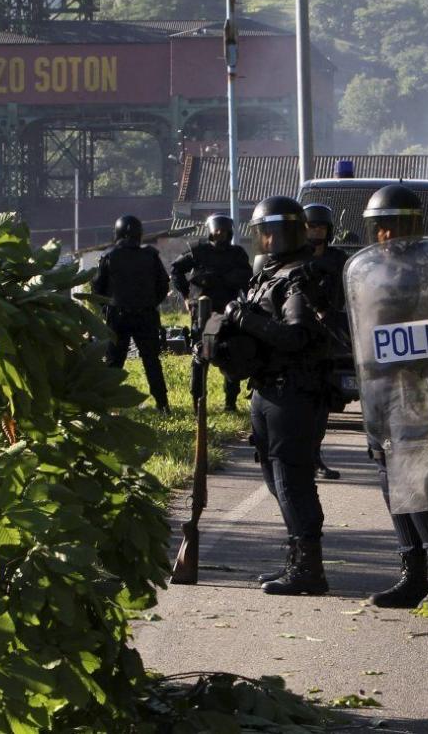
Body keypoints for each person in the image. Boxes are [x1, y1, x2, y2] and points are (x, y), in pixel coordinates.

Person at [347, 184, 428, 609]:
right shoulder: (366, 272)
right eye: (379, 228)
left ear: (412, 226)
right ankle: (413, 574)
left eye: (392, 227)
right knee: (389, 480)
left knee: (419, 483)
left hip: (417, 391)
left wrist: (422, 352)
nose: (385, 236)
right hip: (377, 390)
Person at [223, 196, 329, 596]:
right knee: (276, 479)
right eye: (261, 232)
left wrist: (242, 317)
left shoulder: (301, 277)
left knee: (292, 480)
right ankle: (296, 559)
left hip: (294, 392)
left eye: (272, 231)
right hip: (266, 388)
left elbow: (297, 337)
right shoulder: (268, 273)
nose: (266, 238)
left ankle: (310, 569)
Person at [171, 214, 252, 413]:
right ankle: (198, 402)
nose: (220, 234)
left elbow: (248, 278)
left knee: (232, 353)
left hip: (229, 310)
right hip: (203, 311)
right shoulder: (199, 251)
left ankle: (230, 403)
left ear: (230, 232)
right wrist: (186, 297)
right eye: (217, 231)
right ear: (211, 231)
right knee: (201, 353)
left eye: (224, 231)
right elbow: (176, 270)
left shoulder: (237, 254)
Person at [93, 214, 171, 414]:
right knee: (151, 361)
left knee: (113, 364)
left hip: (117, 316)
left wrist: (106, 310)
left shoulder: (109, 257)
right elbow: (163, 284)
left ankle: (105, 406)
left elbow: (97, 289)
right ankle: (163, 405)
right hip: (146, 315)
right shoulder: (151, 256)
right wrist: (151, 303)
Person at [303, 203, 347, 480]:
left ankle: (315, 458)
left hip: (327, 341)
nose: (315, 232)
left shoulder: (338, 260)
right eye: (310, 226)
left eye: (320, 227)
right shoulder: (294, 259)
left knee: (321, 405)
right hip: (297, 338)